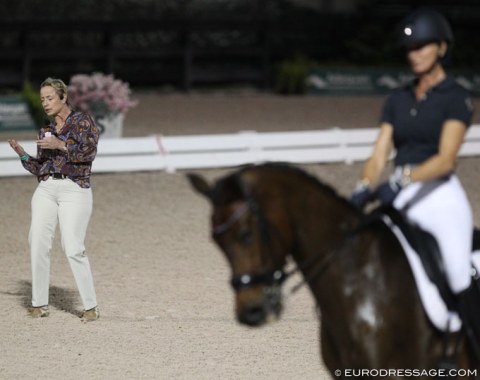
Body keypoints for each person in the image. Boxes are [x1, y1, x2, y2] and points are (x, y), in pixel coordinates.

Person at [350, 8, 480, 349]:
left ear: (441, 48)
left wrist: (402, 179)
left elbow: (445, 160)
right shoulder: (397, 99)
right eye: (410, 49)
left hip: (438, 194)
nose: (415, 55)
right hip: (401, 194)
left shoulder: (456, 98)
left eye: (423, 46)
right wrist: (364, 187)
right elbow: (379, 154)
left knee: (455, 270)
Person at [8, 77, 100, 321]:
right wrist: (23, 155)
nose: (45, 103)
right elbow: (41, 168)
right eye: (42, 99)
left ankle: (90, 306)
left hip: (74, 189)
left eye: (50, 98)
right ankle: (39, 304)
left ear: (63, 97)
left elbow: (88, 153)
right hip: (47, 188)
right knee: (36, 241)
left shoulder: (82, 122)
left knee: (72, 247)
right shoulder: (45, 130)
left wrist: (60, 144)